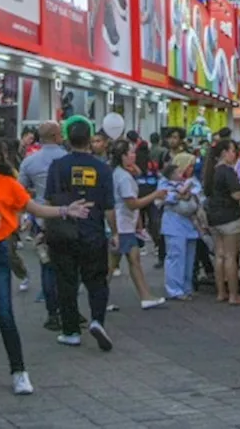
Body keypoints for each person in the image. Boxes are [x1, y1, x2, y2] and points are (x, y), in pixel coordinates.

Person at [0, 134, 90, 396]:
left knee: (5, 314)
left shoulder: (9, 184)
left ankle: (19, 371)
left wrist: (65, 210)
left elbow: (34, 208)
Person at [44, 117, 118, 351]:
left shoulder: (57, 166)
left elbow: (49, 200)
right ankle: (97, 320)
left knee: (66, 282)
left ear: (67, 138)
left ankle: (71, 331)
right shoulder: (103, 169)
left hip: (64, 232)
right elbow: (109, 207)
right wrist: (114, 232)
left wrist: (44, 228)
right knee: (97, 280)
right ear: (90, 140)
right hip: (93, 232)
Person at [18, 121, 67, 329]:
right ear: (57, 135)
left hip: (41, 219)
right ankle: (68, 310)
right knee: (68, 268)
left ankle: (52, 312)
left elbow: (20, 192)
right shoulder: (68, 159)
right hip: (68, 217)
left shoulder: (29, 162)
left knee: (47, 266)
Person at [108, 139, 167, 309]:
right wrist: (155, 195)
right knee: (113, 264)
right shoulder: (124, 178)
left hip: (124, 224)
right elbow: (132, 204)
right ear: (123, 156)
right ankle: (143, 296)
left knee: (130, 260)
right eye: (131, 152)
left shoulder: (121, 173)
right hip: (123, 223)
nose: (134, 155)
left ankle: (145, 295)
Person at [204, 139, 240, 306]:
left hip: (214, 217)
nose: (235, 154)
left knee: (219, 255)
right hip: (229, 217)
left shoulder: (211, 171)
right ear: (224, 153)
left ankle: (221, 292)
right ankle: (234, 295)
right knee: (231, 257)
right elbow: (237, 194)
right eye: (233, 151)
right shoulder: (227, 171)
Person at [159, 152, 202, 301]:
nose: (190, 169)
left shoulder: (193, 181)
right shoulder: (165, 182)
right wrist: (179, 195)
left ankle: (187, 287)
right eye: (188, 166)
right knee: (176, 256)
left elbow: (199, 195)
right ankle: (174, 289)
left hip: (189, 223)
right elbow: (162, 198)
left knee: (189, 257)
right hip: (173, 223)